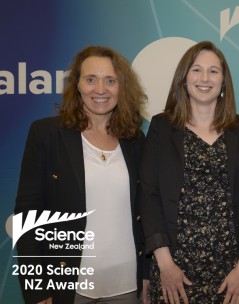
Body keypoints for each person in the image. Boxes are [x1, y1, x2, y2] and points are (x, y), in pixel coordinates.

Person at [14, 45, 149, 304]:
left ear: (122, 87)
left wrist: (146, 275)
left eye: (110, 80)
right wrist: (37, 289)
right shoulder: (46, 135)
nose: (100, 89)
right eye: (91, 79)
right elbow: (28, 216)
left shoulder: (135, 140)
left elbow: (144, 214)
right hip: (67, 286)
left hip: (125, 286)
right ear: (77, 84)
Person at [140, 41, 239, 304]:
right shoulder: (162, 127)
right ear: (184, 78)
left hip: (231, 274)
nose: (204, 78)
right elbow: (148, 195)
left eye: (213, 71)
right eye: (196, 70)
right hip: (174, 272)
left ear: (223, 82)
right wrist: (165, 265)